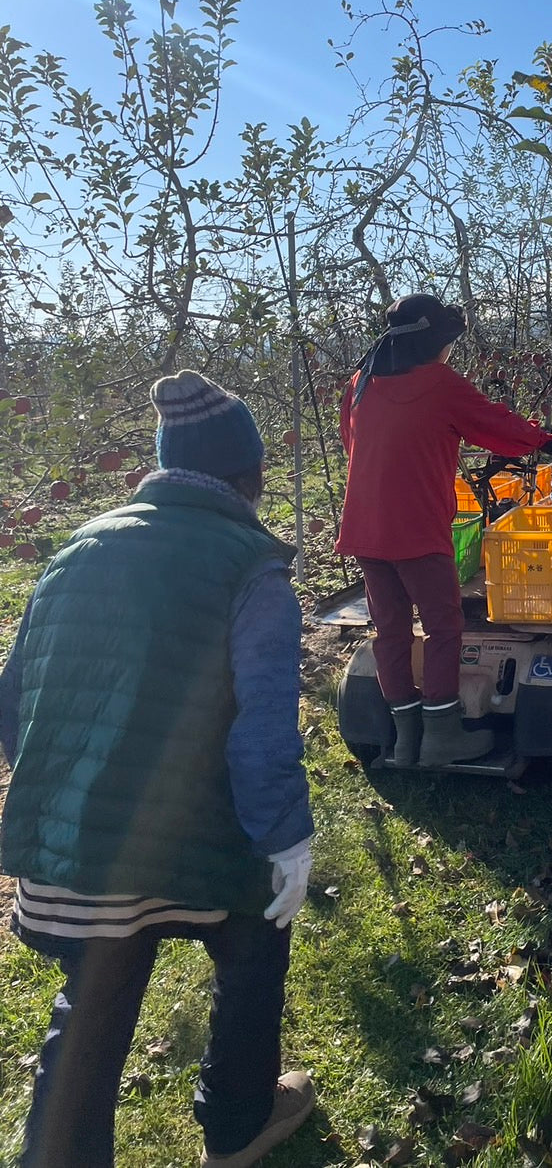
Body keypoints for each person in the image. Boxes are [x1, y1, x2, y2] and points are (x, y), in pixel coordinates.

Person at [0, 370, 315, 1168]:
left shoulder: (76, 549)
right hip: (197, 836)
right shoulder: (254, 567)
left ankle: (59, 1155)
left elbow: (16, 702)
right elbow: (263, 726)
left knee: (96, 987)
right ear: (246, 477)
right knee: (255, 938)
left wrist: (66, 802)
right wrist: (287, 839)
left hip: (84, 837)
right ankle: (239, 1124)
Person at [337, 294, 552, 767]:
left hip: (365, 522)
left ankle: (406, 737)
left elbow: (353, 445)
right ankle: (442, 734)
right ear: (436, 344)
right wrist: (544, 440)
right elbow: (492, 424)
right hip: (417, 525)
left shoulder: (360, 384)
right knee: (445, 626)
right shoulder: (439, 383)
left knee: (391, 628)